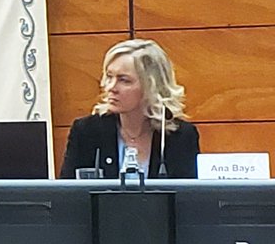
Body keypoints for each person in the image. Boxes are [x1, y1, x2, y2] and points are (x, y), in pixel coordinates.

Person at [59, 38, 199, 179]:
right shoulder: (87, 131)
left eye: (124, 80)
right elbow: (67, 195)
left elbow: (189, 197)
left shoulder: (180, 136)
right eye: (109, 77)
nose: (111, 87)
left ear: (151, 86)